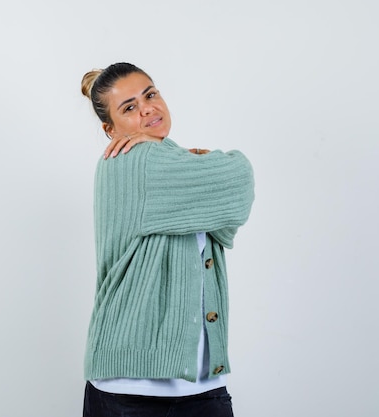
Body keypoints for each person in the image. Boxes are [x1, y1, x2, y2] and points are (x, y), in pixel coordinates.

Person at [80, 62, 255, 417]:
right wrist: (196, 158)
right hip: (132, 393)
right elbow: (239, 175)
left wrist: (189, 155)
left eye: (151, 94)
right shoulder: (130, 161)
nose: (147, 108)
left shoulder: (171, 161)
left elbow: (233, 208)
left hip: (204, 386)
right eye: (129, 107)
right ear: (110, 130)